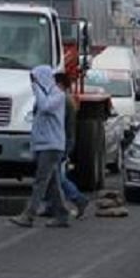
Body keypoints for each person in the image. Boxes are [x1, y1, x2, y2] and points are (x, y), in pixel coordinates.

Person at [10, 65, 70, 229]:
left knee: (40, 182)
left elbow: (45, 108)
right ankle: (62, 214)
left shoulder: (57, 94)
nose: (33, 83)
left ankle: (29, 215)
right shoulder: (45, 95)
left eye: (35, 79)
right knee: (52, 183)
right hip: (43, 145)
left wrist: (37, 88)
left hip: (52, 145)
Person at [55, 72, 89, 219]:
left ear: (61, 84)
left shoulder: (65, 101)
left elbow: (65, 126)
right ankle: (52, 205)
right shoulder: (66, 100)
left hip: (60, 143)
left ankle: (78, 199)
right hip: (61, 142)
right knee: (53, 176)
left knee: (56, 176)